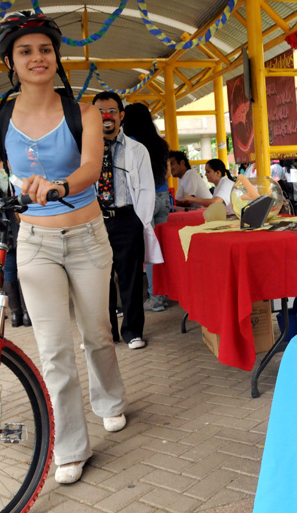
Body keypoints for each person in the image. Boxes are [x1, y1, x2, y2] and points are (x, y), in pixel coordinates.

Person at [0, 11, 127, 485]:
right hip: (35, 242)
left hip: (86, 236)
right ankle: (71, 446)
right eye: (25, 51)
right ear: (10, 62)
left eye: (44, 49)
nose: (37, 58)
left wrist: (58, 186)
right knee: (54, 347)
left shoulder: (85, 112)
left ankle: (110, 400)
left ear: (56, 57)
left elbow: (90, 169)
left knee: (97, 332)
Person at [92, 91, 163, 349]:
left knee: (130, 277)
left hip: (127, 218)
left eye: (111, 111)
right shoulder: (84, 149)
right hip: (95, 220)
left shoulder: (137, 149)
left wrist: (139, 221)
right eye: (99, 112)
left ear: (121, 115)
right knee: (98, 279)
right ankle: (106, 331)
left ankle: (132, 331)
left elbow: (145, 187)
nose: (106, 117)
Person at [122, 102, 170, 313]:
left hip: (144, 201)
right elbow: (167, 174)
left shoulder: (131, 144)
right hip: (163, 198)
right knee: (165, 249)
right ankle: (168, 292)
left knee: (150, 250)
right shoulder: (160, 143)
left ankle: (156, 298)